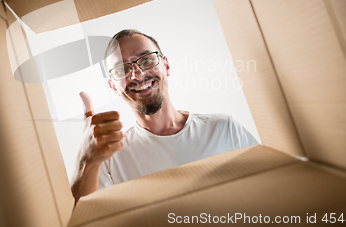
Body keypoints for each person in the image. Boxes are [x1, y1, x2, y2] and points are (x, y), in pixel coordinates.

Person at [70, 29, 258, 203]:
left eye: (146, 60)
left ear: (166, 65)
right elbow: (88, 215)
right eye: (122, 70)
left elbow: (269, 190)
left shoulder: (224, 129)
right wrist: (86, 158)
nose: (137, 74)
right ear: (113, 87)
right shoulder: (109, 158)